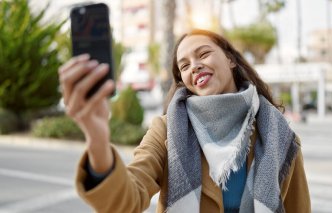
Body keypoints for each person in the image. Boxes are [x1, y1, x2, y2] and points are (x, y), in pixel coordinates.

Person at [58, 29, 311, 213]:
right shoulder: (167, 130)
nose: (195, 66)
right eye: (185, 66)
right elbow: (126, 200)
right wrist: (97, 140)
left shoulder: (279, 134)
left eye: (203, 54)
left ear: (230, 59)